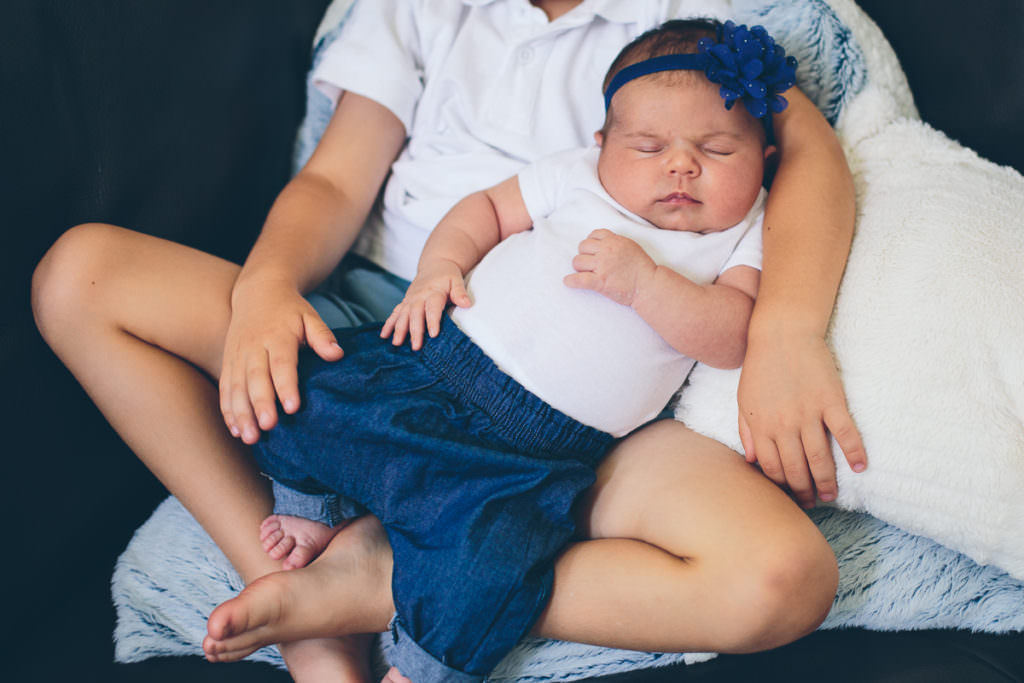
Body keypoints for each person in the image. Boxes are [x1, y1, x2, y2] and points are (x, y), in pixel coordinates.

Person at [31, 1, 865, 682]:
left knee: (783, 579)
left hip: (588, 411)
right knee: (79, 275)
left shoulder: (692, 22)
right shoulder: (416, 8)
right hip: (391, 320)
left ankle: (383, 581)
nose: (680, 163)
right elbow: (333, 178)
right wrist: (266, 286)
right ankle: (291, 587)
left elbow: (807, 152)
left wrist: (785, 331)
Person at [214, 19, 773, 682]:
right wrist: (439, 268)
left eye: (717, 149)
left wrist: (647, 285)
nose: (681, 165)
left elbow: (731, 334)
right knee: (315, 388)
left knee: (496, 565)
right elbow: (486, 210)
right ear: (602, 144)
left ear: (764, 158)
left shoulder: (745, 230)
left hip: (538, 455)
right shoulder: (578, 176)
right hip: (440, 363)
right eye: (648, 146)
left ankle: (418, 665)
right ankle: (313, 507)